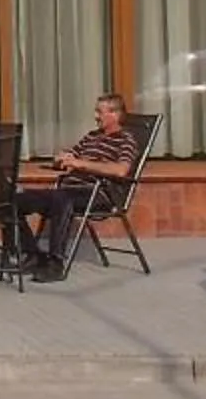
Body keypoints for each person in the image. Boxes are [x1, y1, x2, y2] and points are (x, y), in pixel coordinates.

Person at [14, 92, 141, 282]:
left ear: (115, 114)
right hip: (68, 190)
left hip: (99, 193)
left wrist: (82, 164)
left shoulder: (125, 140)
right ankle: (32, 255)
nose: (96, 116)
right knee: (13, 200)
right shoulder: (91, 137)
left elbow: (122, 170)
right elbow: (73, 156)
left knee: (61, 199)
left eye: (100, 112)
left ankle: (55, 264)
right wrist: (62, 158)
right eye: (96, 111)